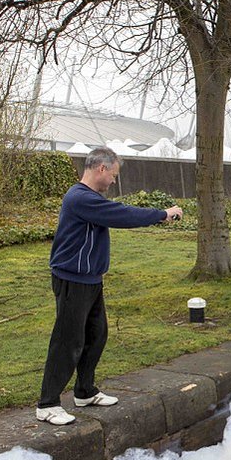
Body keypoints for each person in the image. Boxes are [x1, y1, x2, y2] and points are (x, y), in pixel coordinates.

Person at [35, 147, 183, 425]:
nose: (114, 181)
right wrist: (162, 213)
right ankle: (47, 404)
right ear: (101, 169)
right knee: (67, 341)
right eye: (113, 175)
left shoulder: (91, 199)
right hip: (72, 279)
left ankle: (85, 392)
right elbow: (121, 214)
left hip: (91, 279)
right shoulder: (80, 198)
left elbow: (115, 214)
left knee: (96, 335)